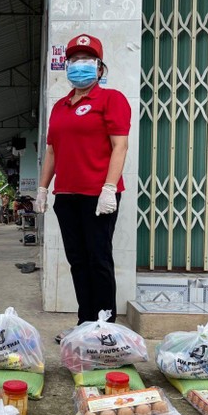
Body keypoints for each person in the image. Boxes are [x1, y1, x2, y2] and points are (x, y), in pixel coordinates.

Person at [33, 33, 130, 343]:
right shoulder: (60, 106)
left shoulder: (111, 99)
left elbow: (120, 146)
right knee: (77, 261)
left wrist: (109, 188)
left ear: (100, 68)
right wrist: (43, 189)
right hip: (66, 196)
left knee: (98, 260)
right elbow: (51, 151)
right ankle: (85, 321)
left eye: (86, 60)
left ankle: (105, 325)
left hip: (98, 196)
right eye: (74, 60)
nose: (79, 65)